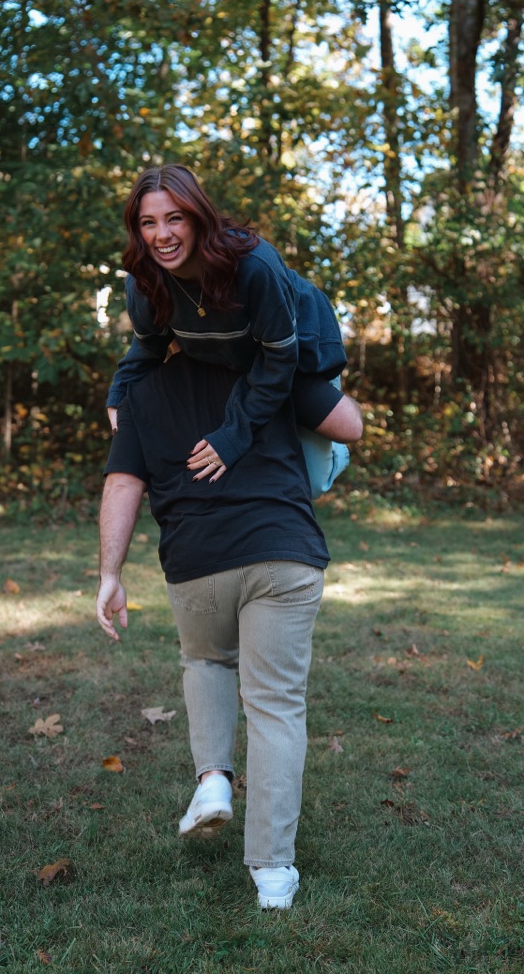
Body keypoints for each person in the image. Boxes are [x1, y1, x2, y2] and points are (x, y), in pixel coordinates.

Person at [96, 348, 349, 909]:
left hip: (197, 558)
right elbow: (349, 425)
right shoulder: (271, 367)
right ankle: (273, 873)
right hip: (283, 551)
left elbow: (121, 484)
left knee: (206, 661)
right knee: (277, 704)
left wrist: (110, 574)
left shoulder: (142, 389)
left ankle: (213, 780)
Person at [106, 164, 362, 496]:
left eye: (175, 218)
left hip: (291, 352)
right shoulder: (143, 282)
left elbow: (280, 360)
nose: (162, 235)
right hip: (226, 358)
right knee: (270, 460)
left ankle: (336, 444)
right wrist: (118, 396)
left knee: (313, 479)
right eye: (148, 223)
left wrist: (235, 434)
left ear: (197, 217)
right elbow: (148, 349)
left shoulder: (254, 267)